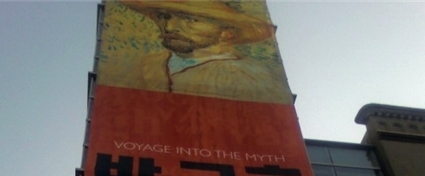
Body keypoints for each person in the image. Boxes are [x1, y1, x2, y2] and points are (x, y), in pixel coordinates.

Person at [100, 0, 293, 104]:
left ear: (227, 32)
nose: (169, 26)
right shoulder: (146, 64)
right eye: (165, 17)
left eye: (190, 20)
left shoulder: (248, 77)